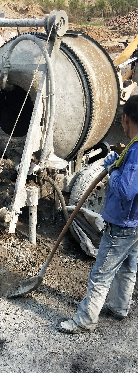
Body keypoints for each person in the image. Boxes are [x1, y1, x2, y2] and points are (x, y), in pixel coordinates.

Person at [60, 94, 138, 333]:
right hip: (135, 223)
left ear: (125, 119)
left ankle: (85, 319)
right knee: (128, 267)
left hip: (123, 224)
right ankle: (118, 307)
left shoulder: (135, 152)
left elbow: (126, 190)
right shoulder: (134, 149)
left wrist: (113, 169)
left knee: (100, 274)